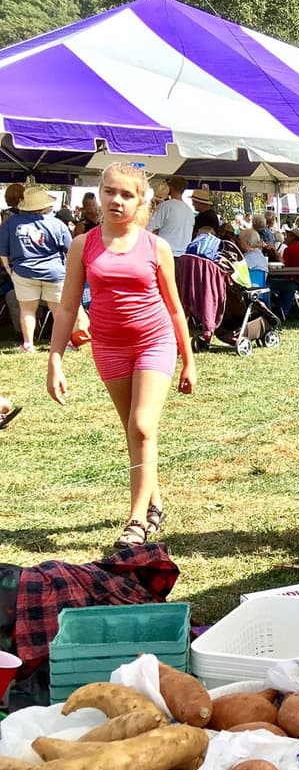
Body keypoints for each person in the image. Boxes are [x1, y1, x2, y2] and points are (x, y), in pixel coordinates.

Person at [46, 163, 196, 548]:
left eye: (127, 194)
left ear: (141, 201)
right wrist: (55, 359)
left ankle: (136, 520)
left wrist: (189, 359)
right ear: (98, 194)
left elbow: (175, 307)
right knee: (133, 430)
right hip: (108, 347)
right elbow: (66, 308)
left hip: (153, 341)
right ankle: (155, 500)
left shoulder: (155, 246)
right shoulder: (84, 244)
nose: (117, 200)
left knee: (143, 426)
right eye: (110, 191)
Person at [0, 186, 73, 353]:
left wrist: (9, 270)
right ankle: (66, 343)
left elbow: (3, 250)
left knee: (27, 309)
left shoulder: (11, 223)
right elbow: (71, 250)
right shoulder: (57, 224)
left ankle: (28, 344)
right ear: (44, 206)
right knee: (59, 311)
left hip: (24, 272)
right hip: (55, 273)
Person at [147, 177, 195, 255]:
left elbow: (149, 228)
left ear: (170, 187)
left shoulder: (165, 206)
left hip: (165, 253)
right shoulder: (189, 210)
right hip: (183, 254)